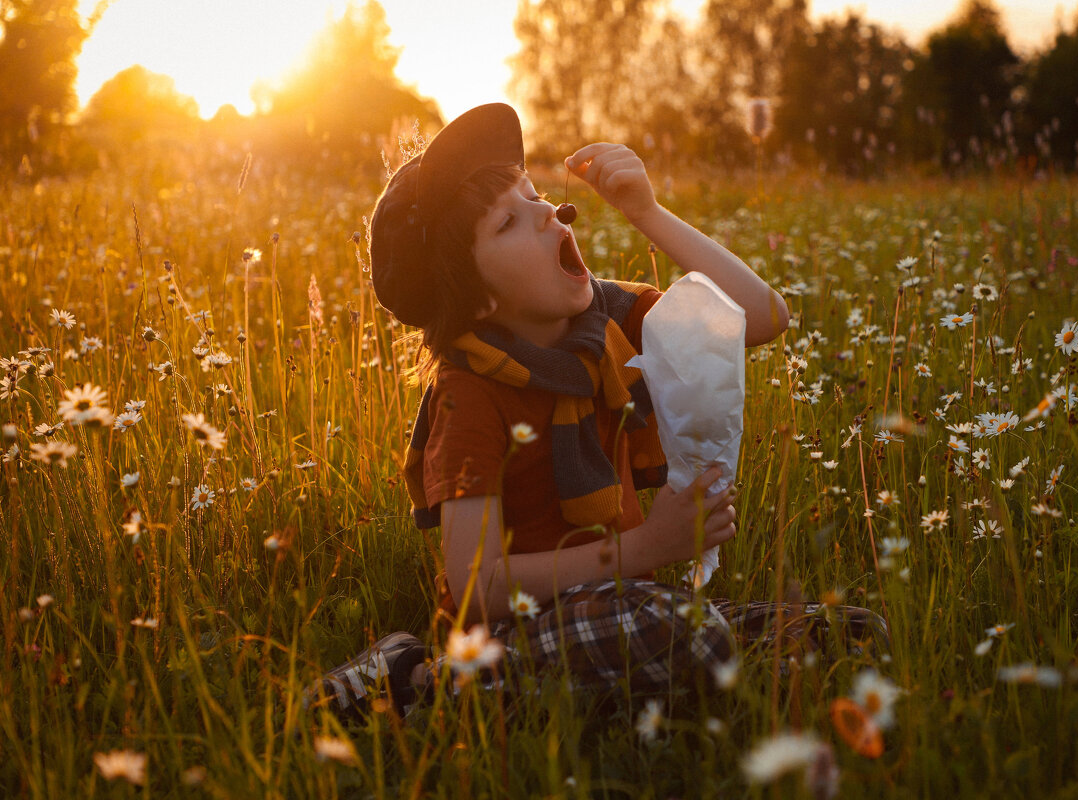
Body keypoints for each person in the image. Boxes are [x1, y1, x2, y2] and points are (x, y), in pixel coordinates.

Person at [308, 103, 886, 719]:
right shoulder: (469, 393)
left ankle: (663, 686)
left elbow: (762, 317)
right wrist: (645, 548)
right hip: (514, 631)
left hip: (628, 605)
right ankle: (420, 680)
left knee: (853, 633)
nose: (551, 214)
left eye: (536, 196)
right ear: (475, 300)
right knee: (689, 634)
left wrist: (647, 212)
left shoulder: (609, 319)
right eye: (509, 221)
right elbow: (477, 588)